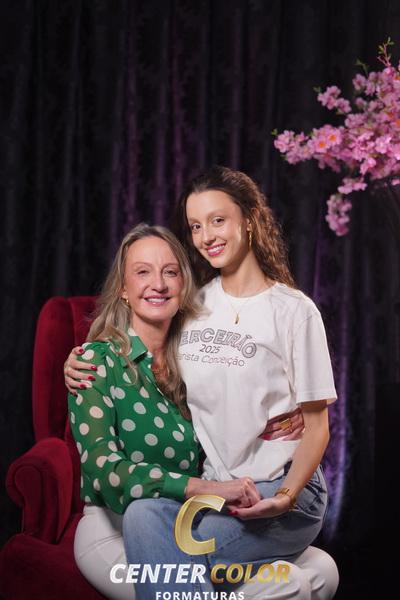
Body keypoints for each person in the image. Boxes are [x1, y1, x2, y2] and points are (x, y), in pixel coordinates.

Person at [65, 167, 338, 599]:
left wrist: (286, 494)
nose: (206, 236)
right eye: (195, 226)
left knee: (167, 552)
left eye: (217, 220)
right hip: (216, 496)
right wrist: (78, 359)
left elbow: (317, 425)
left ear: (249, 219)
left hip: (278, 487)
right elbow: (141, 348)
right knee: (144, 516)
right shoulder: (195, 307)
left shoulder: (294, 311)